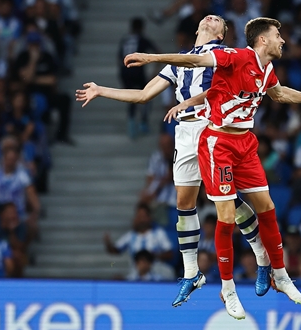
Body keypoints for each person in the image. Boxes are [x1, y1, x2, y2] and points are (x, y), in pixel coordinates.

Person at [123, 17, 301, 319]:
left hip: (245, 144)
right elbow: (193, 60)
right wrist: (152, 58)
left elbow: (281, 94)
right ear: (263, 40)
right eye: (278, 35)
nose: (283, 40)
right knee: (226, 214)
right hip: (218, 143)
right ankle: (227, 289)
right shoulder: (234, 56)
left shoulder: (266, 69)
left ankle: (279, 275)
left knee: (266, 207)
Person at [77, 15, 270, 307]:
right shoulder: (179, 60)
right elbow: (144, 95)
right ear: (197, 29)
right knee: (184, 202)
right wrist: (102, 91)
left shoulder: (223, 56)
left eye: (218, 20)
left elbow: (224, 91)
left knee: (225, 202)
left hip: (212, 127)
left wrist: (186, 98)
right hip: (185, 132)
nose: (211, 18)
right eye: (208, 17)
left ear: (221, 34)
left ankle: (260, 254)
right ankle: (192, 273)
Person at [117, 18, 158, 138]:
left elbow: (119, 57)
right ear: (142, 28)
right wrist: (154, 72)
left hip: (125, 71)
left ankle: (131, 125)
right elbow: (157, 52)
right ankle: (143, 123)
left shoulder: (125, 40)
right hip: (137, 71)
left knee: (131, 97)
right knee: (145, 96)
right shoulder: (143, 39)